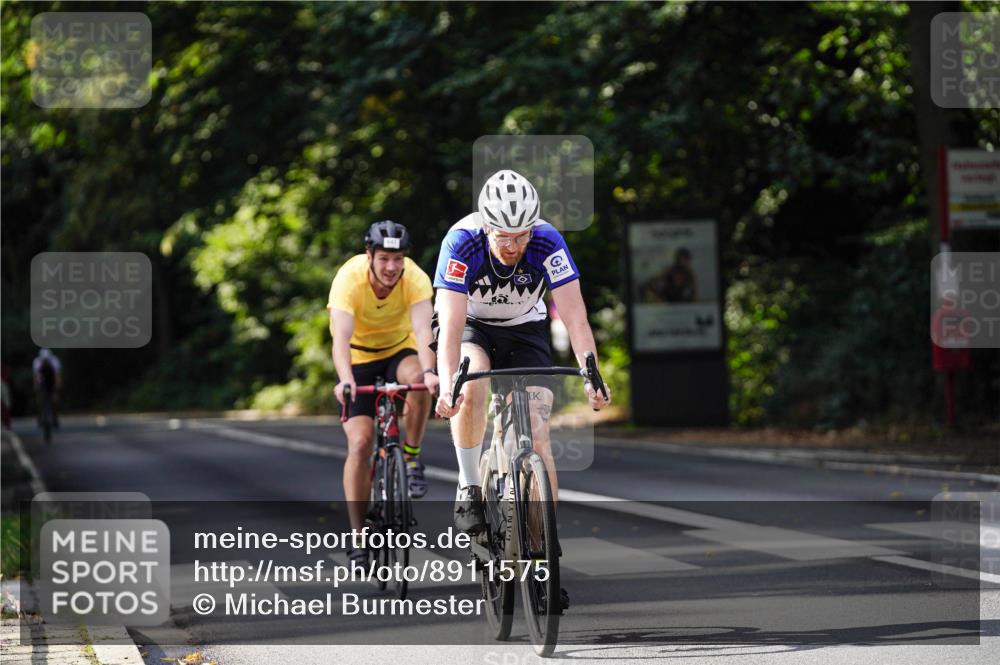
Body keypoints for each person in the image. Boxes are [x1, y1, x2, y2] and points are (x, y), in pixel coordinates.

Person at [433, 170, 611, 537]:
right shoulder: (461, 241)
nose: (513, 246)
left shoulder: (548, 241)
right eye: (503, 236)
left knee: (538, 432)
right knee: (473, 382)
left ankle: (543, 559)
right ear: (487, 228)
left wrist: (593, 376)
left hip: (524, 326)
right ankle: (469, 486)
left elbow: (576, 319)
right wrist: (449, 385)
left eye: (521, 236)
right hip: (472, 324)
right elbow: (450, 325)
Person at [328, 221, 439, 568]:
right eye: (385, 259)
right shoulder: (349, 279)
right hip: (358, 359)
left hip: (397, 352)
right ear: (370, 256)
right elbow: (340, 340)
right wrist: (345, 380)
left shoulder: (415, 278)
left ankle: (410, 458)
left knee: (419, 379)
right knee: (360, 444)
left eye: (398, 259)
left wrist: (434, 373)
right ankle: (359, 535)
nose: (392, 267)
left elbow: (423, 331)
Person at [33, 348, 62, 428]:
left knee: (55, 400)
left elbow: (57, 376)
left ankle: (55, 418)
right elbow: (36, 376)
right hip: (42, 384)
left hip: (51, 384)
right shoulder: (37, 362)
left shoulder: (54, 361)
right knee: (40, 401)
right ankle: (40, 418)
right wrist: (36, 386)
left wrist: (57, 386)